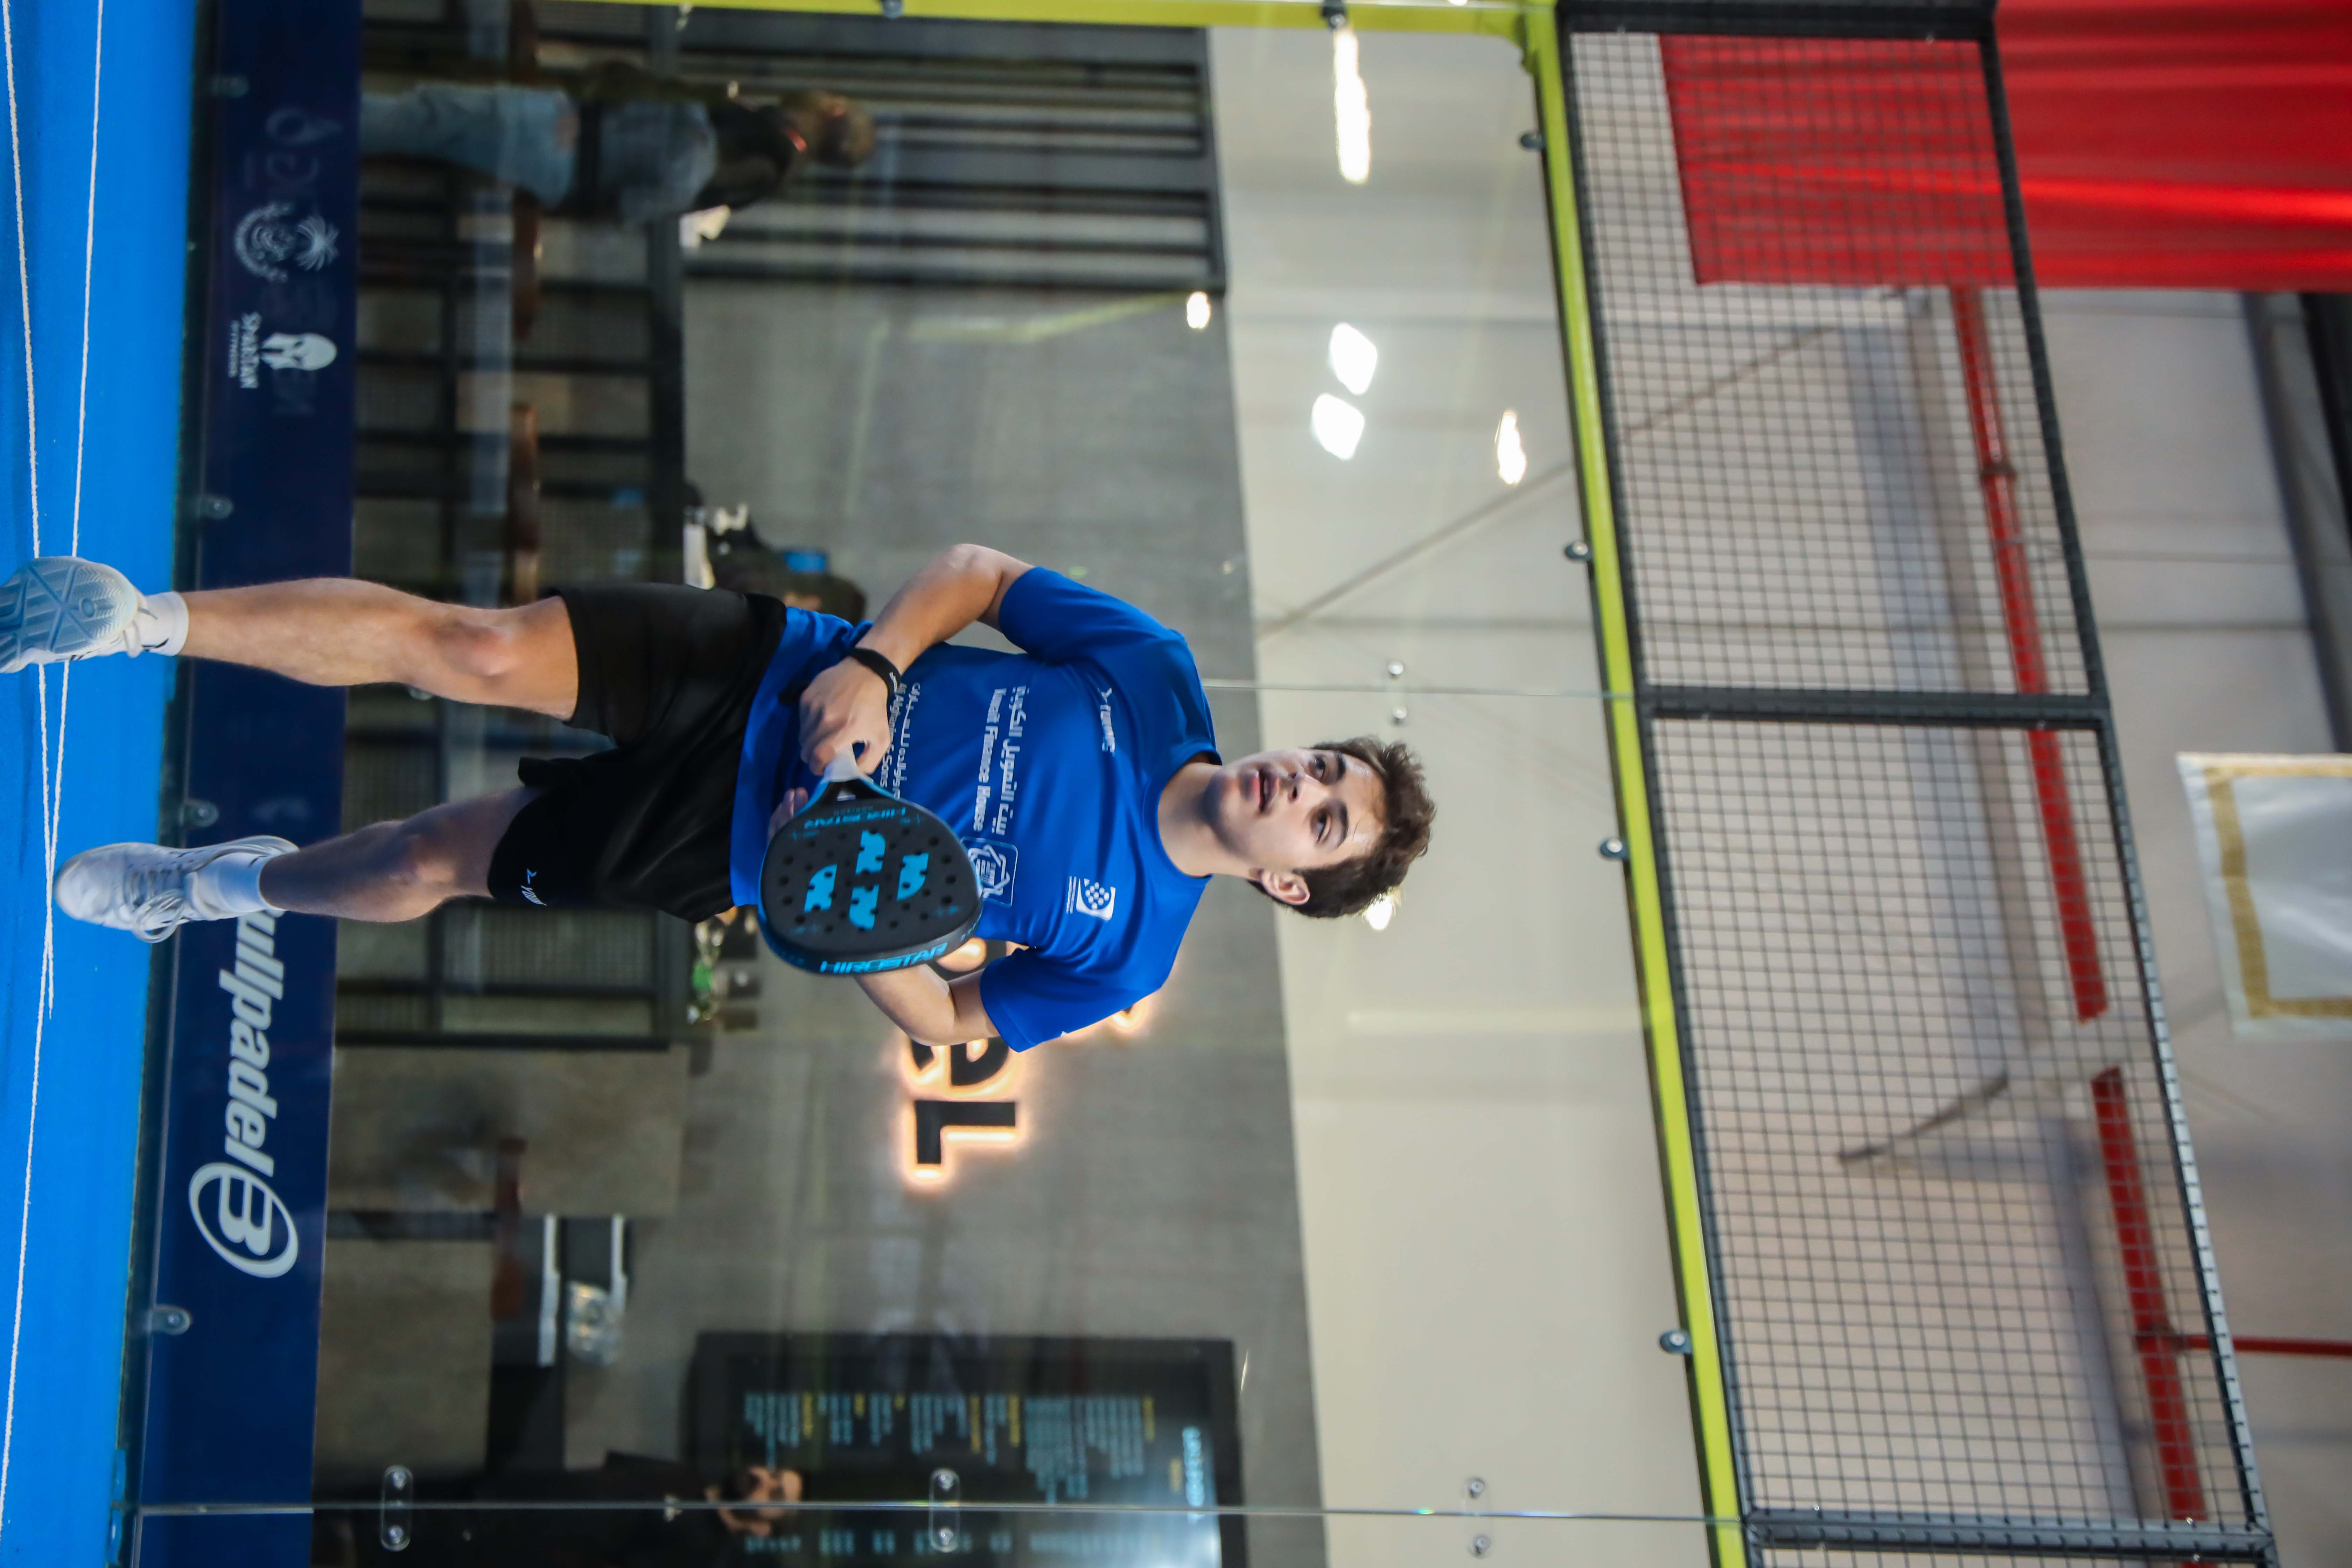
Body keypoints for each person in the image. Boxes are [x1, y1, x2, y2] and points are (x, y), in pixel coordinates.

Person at [0, 547, 1434, 1049]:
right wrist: (874, 662)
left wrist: (857, 927)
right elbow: (983, 575)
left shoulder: (1128, 954)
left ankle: (215, 884)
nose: (1299, 785)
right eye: (1325, 766)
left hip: (722, 847)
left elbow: (955, 1022)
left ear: (1289, 883)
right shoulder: (1155, 674)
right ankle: (136, 621)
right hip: (759, 673)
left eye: (1324, 819)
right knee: (475, 648)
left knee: (429, 859)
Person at [360, 62, 875, 228]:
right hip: (567, 161)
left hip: (568, 136)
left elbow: (672, 155)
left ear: (831, 110)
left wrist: (598, 128)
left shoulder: (752, 143)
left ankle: (322, 120)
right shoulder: (762, 167)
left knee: (427, 116)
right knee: (426, 125)